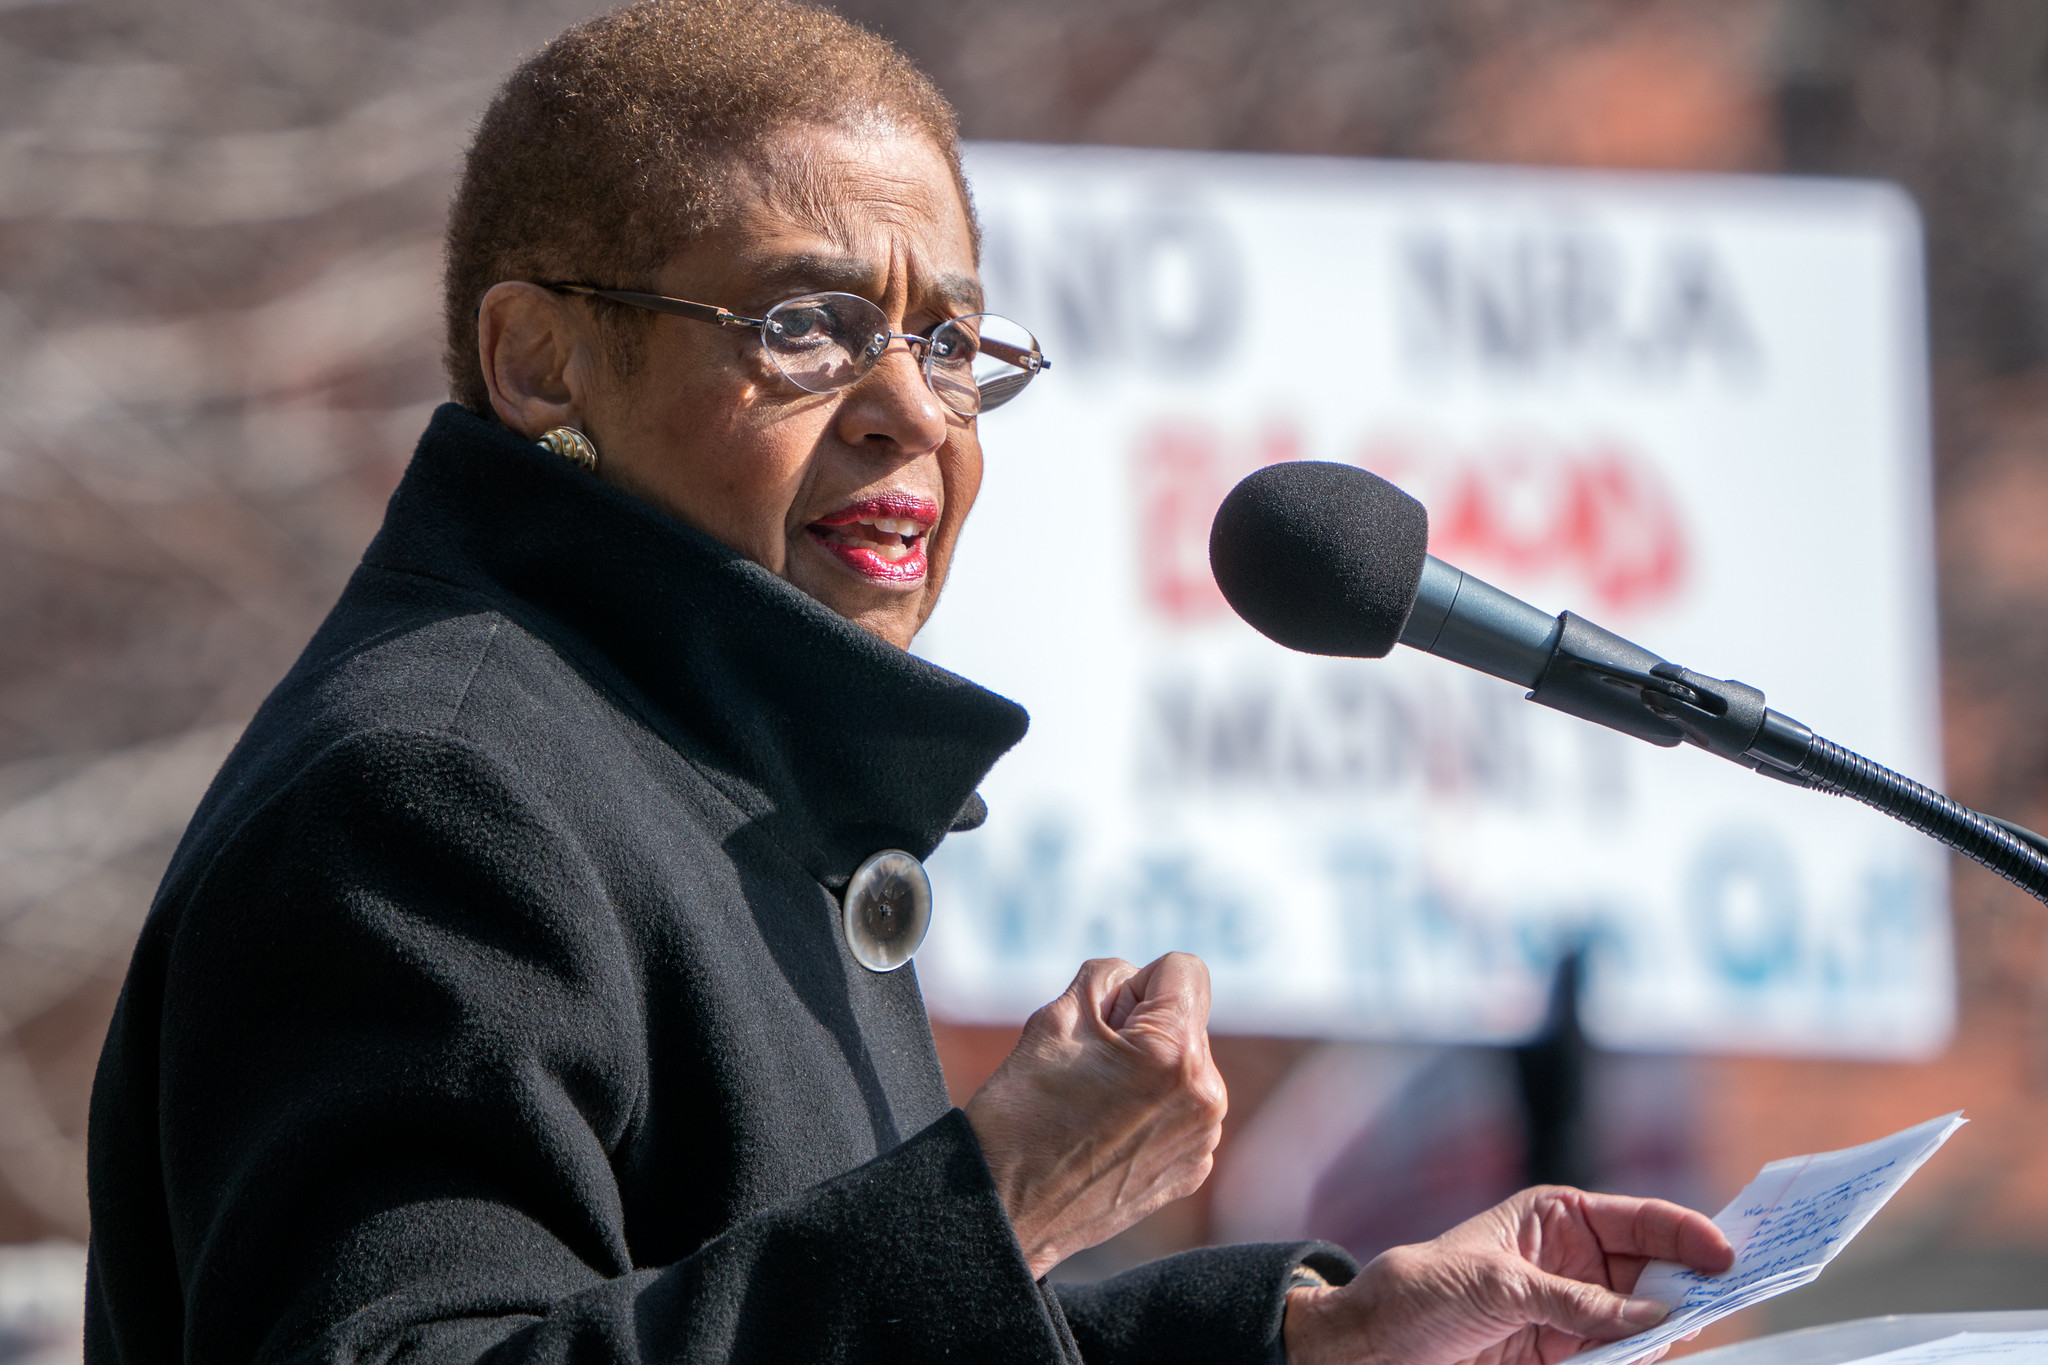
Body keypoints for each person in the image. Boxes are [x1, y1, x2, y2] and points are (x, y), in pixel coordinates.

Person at [84, 2, 1734, 1362]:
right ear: (542, 360)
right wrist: (995, 1196)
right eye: (805, 324)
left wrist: (1314, 1338)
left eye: (950, 342)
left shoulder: (708, 771)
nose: (913, 410)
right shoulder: (433, 796)